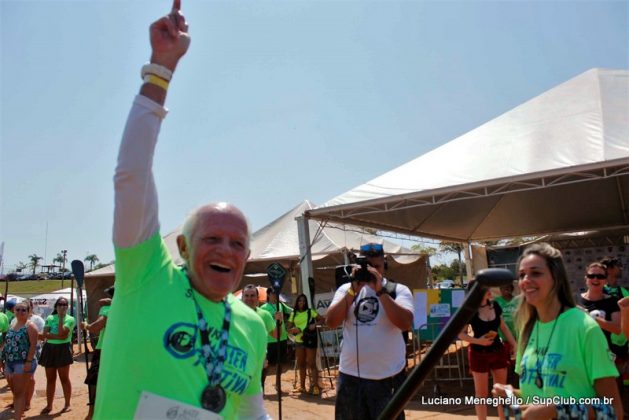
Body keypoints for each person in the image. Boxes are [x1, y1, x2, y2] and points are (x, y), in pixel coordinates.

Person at [94, 2, 269, 418]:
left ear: (247, 256)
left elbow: (250, 408)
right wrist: (161, 69)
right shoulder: (147, 276)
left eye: (237, 243)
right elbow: (132, 175)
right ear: (184, 247)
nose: (226, 250)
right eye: (211, 238)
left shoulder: (253, 325)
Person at [493, 243, 622, 419]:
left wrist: (556, 410)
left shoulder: (585, 328)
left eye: (536, 273)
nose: (525, 280)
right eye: (522, 275)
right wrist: (511, 395)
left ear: (556, 277)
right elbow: (535, 396)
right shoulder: (527, 329)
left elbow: (614, 411)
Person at [326, 243, 414, 419]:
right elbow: (331, 322)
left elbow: (405, 323)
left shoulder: (398, 290)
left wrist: (380, 291)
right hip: (350, 377)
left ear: (385, 264)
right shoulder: (346, 290)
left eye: (377, 267)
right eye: (367, 267)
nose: (372, 271)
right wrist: (352, 291)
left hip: (387, 378)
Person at [459, 287, 516, 420]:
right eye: (485, 288)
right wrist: (478, 341)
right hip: (478, 354)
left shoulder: (495, 305)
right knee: (481, 394)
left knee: (501, 391)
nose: (490, 290)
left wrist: (514, 344)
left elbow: (503, 327)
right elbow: (460, 334)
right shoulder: (470, 310)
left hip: (498, 350)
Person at [0, 300, 39, 419]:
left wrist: (28, 362)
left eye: (23, 310)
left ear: (28, 312)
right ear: (14, 311)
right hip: (10, 362)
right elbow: (7, 344)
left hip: (23, 362)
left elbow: (33, 345)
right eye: (18, 309)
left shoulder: (30, 326)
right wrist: (3, 360)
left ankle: (18, 416)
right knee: (16, 391)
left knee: (19, 393)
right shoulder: (12, 324)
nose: (20, 312)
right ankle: (19, 411)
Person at [80, 286, 114, 420]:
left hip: (103, 350)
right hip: (120, 350)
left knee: (94, 381)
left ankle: (91, 413)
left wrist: (86, 326)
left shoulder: (106, 309)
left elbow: (96, 327)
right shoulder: (129, 308)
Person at [39, 297, 75, 414]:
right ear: (56, 306)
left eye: (65, 304)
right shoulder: (49, 317)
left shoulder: (70, 319)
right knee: (50, 379)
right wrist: (57, 337)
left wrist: (60, 318)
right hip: (49, 349)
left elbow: (62, 334)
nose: (63, 306)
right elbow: (45, 334)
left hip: (63, 349)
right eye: (60, 304)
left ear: (68, 306)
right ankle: (49, 405)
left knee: (64, 378)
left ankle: (67, 404)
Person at [241, 285, 276, 390]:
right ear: (242, 297)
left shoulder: (265, 315)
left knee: (257, 392)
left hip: (259, 359)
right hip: (240, 360)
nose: (249, 298)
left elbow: (275, 335)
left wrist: (279, 322)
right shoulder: (234, 314)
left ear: (257, 298)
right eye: (246, 295)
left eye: (252, 295)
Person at [287, 294, 323, 396]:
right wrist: (292, 329)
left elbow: (322, 319)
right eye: (299, 301)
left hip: (310, 340)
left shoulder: (310, 312)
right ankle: (302, 387)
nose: (301, 302)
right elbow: (288, 328)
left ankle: (315, 386)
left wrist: (314, 324)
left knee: (311, 363)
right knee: (301, 364)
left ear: (306, 302)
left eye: (303, 301)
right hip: (299, 341)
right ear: (297, 302)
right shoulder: (293, 314)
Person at [260, 288, 293, 370]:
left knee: (281, 363)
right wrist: (272, 317)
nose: (275, 294)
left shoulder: (281, 305)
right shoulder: (263, 307)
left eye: (276, 293)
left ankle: (278, 382)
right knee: (268, 364)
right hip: (270, 340)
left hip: (282, 338)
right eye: (273, 293)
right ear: (268, 294)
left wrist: (289, 323)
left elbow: (293, 312)